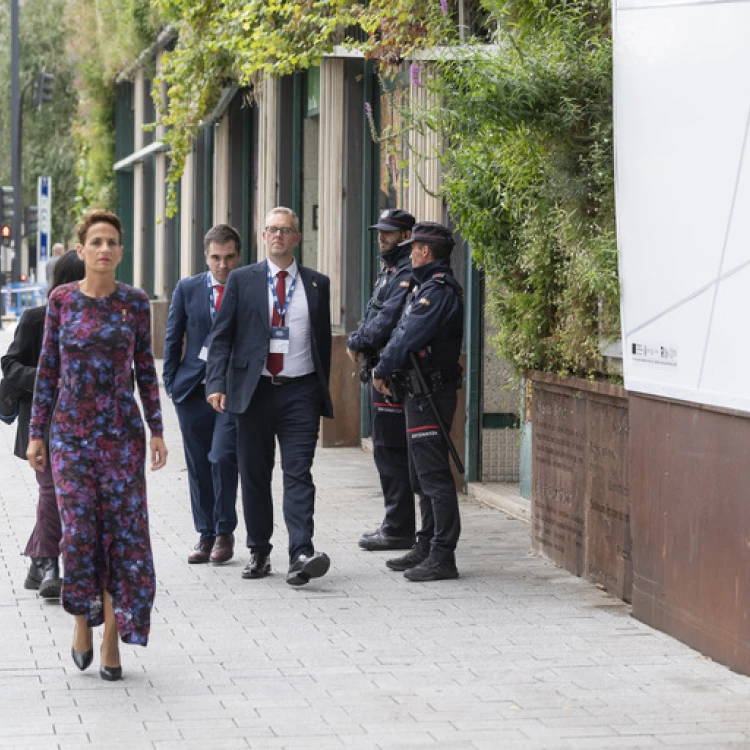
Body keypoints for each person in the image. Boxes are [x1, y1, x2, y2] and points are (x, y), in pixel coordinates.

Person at [27, 209, 167, 681]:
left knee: (123, 538)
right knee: (82, 533)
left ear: (121, 251)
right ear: (81, 250)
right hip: (69, 431)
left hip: (121, 434)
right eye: (96, 242)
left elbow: (145, 370)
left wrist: (158, 430)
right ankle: (83, 621)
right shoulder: (62, 301)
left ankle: (112, 639)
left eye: (112, 242)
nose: (104, 249)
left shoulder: (134, 302)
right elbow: (47, 369)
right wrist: (35, 435)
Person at [206, 206, 333, 587]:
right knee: (255, 474)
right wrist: (216, 383)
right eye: (271, 230)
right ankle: (259, 550)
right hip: (254, 392)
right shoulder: (242, 281)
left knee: (298, 473)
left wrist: (320, 388)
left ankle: (301, 553)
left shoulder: (316, 284)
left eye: (285, 230)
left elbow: (321, 341)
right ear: (263, 237)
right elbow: (222, 337)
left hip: (301, 392)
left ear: (296, 238)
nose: (278, 235)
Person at [372, 222, 464, 582]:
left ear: (425, 251)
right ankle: (427, 542)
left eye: (414, 248)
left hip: (431, 392)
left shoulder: (438, 291)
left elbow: (407, 335)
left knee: (434, 476)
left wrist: (381, 366)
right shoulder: (426, 286)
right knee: (419, 475)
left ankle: (443, 554)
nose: (410, 253)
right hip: (418, 390)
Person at [1, 250, 85, 599]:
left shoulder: (102, 320)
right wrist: (47, 378)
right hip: (44, 423)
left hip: (86, 425)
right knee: (52, 491)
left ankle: (38, 562)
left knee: (71, 496)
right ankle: (50, 564)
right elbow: (9, 365)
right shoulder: (38, 318)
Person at [163, 224, 241, 565]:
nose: (222, 265)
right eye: (215, 258)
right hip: (192, 389)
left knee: (222, 458)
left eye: (228, 257)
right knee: (197, 464)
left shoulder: (249, 286)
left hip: (232, 390)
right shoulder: (187, 288)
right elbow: (172, 336)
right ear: (205, 257)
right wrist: (170, 382)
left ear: (238, 256)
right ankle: (205, 533)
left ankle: (225, 531)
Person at [347, 208, 417, 551]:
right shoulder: (390, 270)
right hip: (380, 371)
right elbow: (374, 311)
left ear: (407, 236)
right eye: (380, 231)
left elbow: (389, 319)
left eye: (388, 232)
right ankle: (396, 523)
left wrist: (358, 342)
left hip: (393, 376)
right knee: (385, 450)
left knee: (391, 451)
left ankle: (399, 528)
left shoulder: (406, 272)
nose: (381, 237)